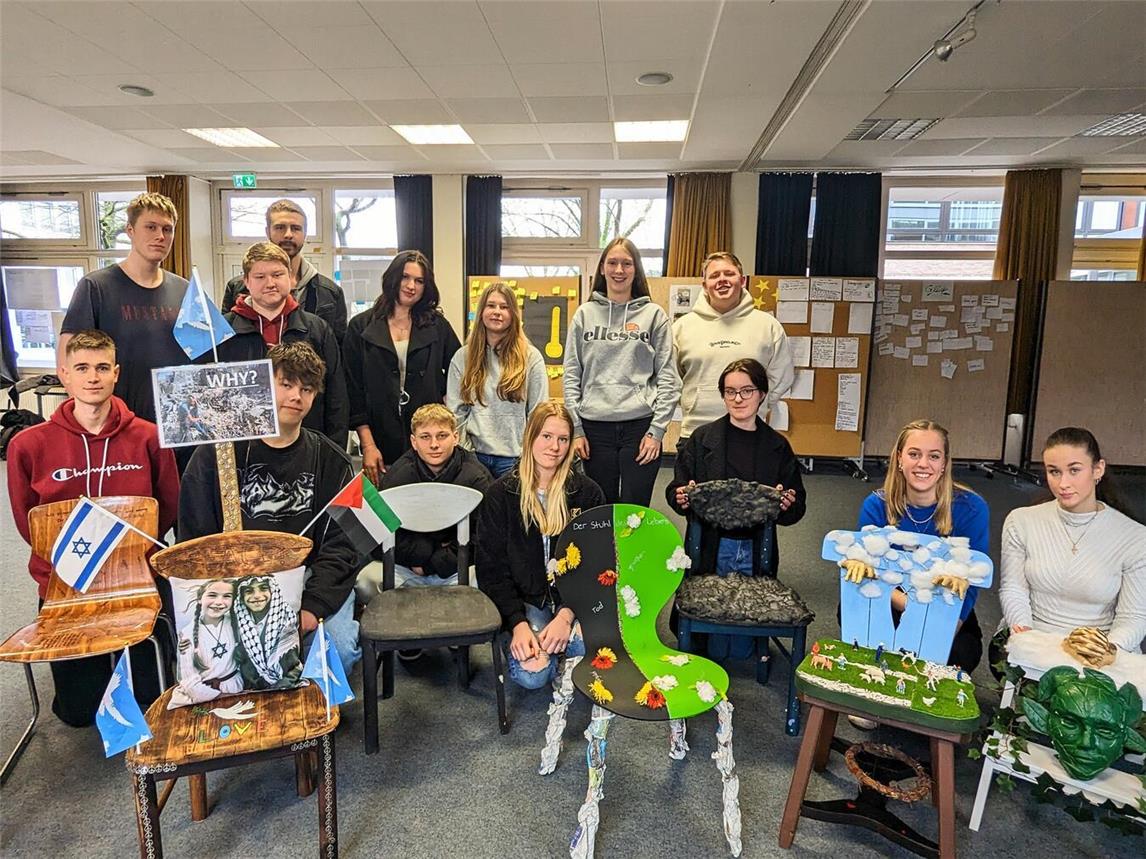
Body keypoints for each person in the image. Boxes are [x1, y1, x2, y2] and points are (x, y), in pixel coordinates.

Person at [6, 329, 179, 726]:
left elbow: (166, 506)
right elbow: (28, 518)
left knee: (149, 702)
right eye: (82, 368)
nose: (93, 378)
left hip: (134, 578)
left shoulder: (148, 436)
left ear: (116, 373)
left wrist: (130, 556)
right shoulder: (29, 446)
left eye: (102, 368)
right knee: (81, 715)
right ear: (63, 375)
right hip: (67, 581)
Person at [178, 341, 362, 675]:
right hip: (233, 582)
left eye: (306, 389)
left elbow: (345, 546)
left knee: (339, 651)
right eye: (287, 384)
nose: (296, 396)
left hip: (308, 579)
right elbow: (194, 537)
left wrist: (312, 607)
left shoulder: (332, 460)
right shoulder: (216, 455)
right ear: (263, 386)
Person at [476, 401, 604, 689]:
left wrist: (568, 613)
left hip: (572, 600)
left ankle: (560, 642)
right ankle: (534, 643)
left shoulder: (587, 493)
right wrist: (517, 623)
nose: (554, 447)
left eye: (563, 439)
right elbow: (491, 570)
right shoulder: (500, 494)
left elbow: (597, 562)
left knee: (586, 648)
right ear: (530, 437)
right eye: (546, 436)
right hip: (525, 602)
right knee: (531, 677)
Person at [857, 419, 989, 672]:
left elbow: (971, 582)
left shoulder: (972, 508)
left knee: (960, 654)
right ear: (899, 458)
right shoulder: (876, 505)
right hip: (891, 598)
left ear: (944, 464)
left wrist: (943, 630)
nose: (923, 464)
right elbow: (869, 574)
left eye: (934, 456)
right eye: (914, 454)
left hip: (945, 605)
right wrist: (912, 608)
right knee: (859, 619)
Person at [1000, 427, 1145, 653]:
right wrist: (1025, 637)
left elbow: (1133, 616)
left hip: (1099, 647)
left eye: (1074, 470)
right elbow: (1013, 589)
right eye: (1054, 471)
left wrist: (1103, 653)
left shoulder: (1135, 537)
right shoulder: (1021, 521)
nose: (1063, 483)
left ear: (1098, 470)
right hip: (1033, 639)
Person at [563, 238, 679, 505]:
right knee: (599, 507)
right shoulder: (584, 314)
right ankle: (603, 550)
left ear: (636, 270)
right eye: (612, 263)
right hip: (594, 429)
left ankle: (633, 550)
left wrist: (657, 432)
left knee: (634, 511)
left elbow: (668, 377)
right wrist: (577, 429)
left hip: (640, 428)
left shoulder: (653, 315)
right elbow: (572, 374)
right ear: (602, 268)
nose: (619, 270)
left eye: (627, 264)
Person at [58, 192, 189, 424]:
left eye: (167, 229)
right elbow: (67, 364)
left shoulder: (184, 290)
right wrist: (92, 422)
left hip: (176, 425)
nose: (160, 236)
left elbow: (206, 360)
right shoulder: (96, 287)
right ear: (130, 230)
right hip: (118, 426)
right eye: (150, 227)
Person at [666, 358, 805, 576]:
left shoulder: (777, 446)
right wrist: (681, 496)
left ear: (762, 394)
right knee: (705, 605)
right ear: (723, 396)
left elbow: (797, 508)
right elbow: (674, 490)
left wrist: (786, 504)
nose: (738, 399)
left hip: (757, 546)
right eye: (730, 391)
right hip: (710, 544)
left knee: (753, 605)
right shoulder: (701, 439)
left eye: (747, 390)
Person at [343, 250, 461, 485]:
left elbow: (459, 373)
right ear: (393, 278)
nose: (411, 286)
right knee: (387, 512)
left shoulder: (438, 326)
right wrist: (368, 445)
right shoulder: (360, 326)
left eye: (419, 281)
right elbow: (352, 391)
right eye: (405, 277)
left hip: (428, 441)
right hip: (379, 439)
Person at [217, 241, 348, 448]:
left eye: (277, 275)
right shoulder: (221, 331)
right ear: (246, 281)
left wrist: (334, 451)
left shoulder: (317, 329)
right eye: (260, 277)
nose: (270, 283)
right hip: (242, 449)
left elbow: (336, 396)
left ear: (291, 277)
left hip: (307, 446)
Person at [359, 404, 493, 597]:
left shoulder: (476, 478)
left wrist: (439, 561)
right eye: (425, 437)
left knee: (486, 579)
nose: (434, 445)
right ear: (413, 441)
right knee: (365, 581)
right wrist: (420, 555)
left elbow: (485, 537)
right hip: (410, 568)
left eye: (442, 435)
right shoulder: (397, 477)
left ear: (456, 437)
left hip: (458, 569)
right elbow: (376, 538)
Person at [673, 251, 794, 440]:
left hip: (750, 432)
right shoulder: (682, 327)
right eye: (714, 276)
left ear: (743, 280)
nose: (722, 280)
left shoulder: (768, 325)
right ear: (704, 286)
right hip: (695, 433)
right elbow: (671, 377)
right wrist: (691, 403)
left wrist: (759, 405)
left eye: (729, 274)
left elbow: (782, 375)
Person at [447, 282, 547, 478]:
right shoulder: (463, 357)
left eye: (504, 307)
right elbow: (455, 412)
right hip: (474, 456)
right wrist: (466, 453)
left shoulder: (531, 358)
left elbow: (538, 412)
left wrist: (529, 454)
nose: (497, 312)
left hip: (515, 458)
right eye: (491, 305)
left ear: (513, 315)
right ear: (481, 312)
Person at [223, 199, 348, 342]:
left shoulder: (330, 292)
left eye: (295, 228)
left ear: (305, 233)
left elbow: (337, 348)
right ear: (267, 231)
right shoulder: (237, 287)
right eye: (280, 227)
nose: (288, 234)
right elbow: (225, 341)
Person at [171, 579, 244, 706]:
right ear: (200, 598)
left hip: (235, 689)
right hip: (203, 696)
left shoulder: (236, 623)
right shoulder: (188, 633)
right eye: (212, 595)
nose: (219, 602)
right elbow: (189, 680)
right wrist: (219, 697)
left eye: (227, 596)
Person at [233, 575, 303, 690]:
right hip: (252, 689)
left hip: (284, 686)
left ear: (272, 591)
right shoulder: (240, 622)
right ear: (241, 597)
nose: (256, 596)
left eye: (263, 588)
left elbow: (293, 668)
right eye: (249, 591)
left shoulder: (285, 620)